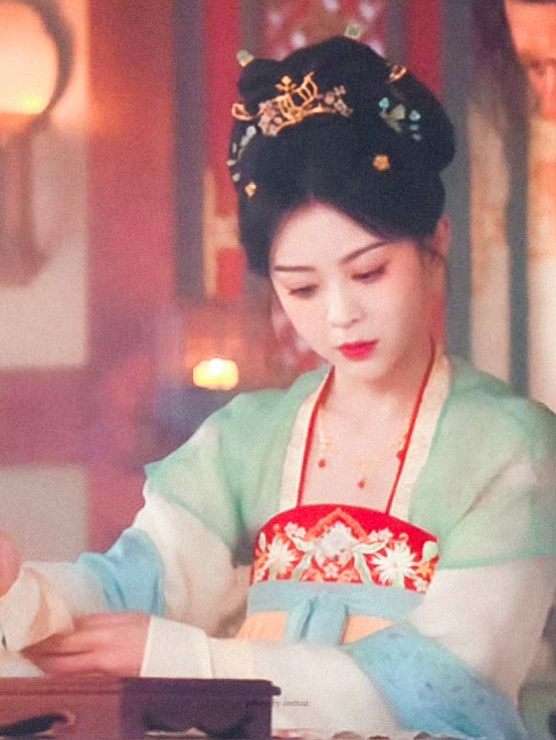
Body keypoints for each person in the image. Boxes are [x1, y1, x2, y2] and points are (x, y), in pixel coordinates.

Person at [1, 34, 555, 740]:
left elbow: (445, 682)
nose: (340, 314)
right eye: (302, 287)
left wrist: (187, 659)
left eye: (369, 272)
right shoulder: (246, 439)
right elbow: (132, 588)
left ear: (436, 245)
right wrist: (17, 591)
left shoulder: (510, 447)